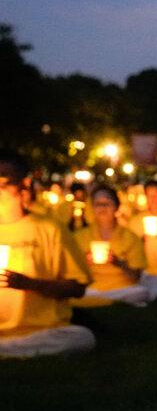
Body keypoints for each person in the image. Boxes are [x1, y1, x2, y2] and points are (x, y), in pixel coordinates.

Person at [0, 152, 95, 358]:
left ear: (24, 184)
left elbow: (78, 288)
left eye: (3, 180)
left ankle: (9, 350)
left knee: (81, 337)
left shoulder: (50, 229)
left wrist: (30, 284)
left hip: (41, 330)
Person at [73, 185, 157, 307]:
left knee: (141, 291)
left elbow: (136, 277)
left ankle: (100, 300)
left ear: (116, 207)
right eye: (98, 204)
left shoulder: (130, 237)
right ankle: (107, 300)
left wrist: (118, 263)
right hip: (91, 287)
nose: (102, 208)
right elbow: (71, 275)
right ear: (92, 207)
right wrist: (84, 262)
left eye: (107, 203)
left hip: (122, 287)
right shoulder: (80, 237)